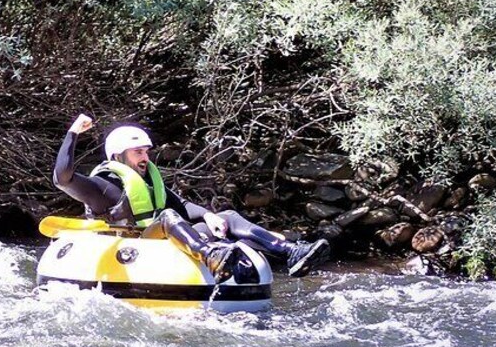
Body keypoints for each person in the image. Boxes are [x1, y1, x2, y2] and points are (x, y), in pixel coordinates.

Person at [53, 113, 330, 280]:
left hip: (159, 241)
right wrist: (73, 132)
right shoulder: (102, 185)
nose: (145, 158)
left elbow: (182, 205)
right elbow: (61, 177)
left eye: (147, 152)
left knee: (227, 217)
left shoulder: (148, 181)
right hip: (131, 246)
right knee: (168, 217)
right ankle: (211, 255)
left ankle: (291, 252)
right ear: (119, 155)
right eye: (139, 152)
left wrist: (209, 215)